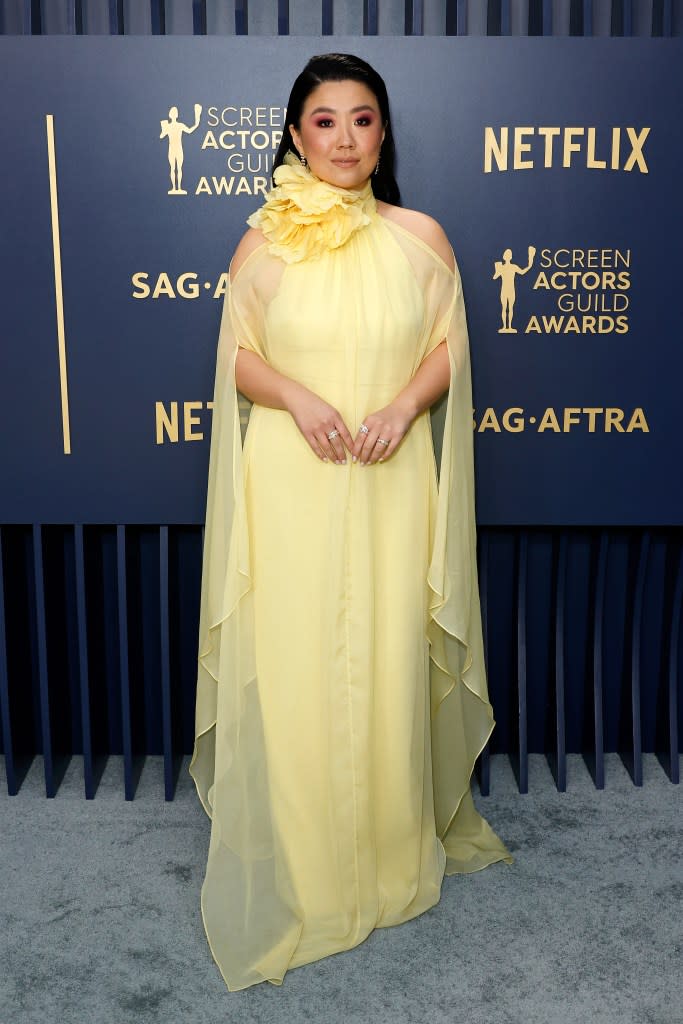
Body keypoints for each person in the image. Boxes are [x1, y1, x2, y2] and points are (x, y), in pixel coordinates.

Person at [189, 52, 514, 993]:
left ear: (383, 134)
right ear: (294, 135)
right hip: (291, 475)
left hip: (388, 474)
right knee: (293, 658)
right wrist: (297, 398)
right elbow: (237, 361)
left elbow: (450, 344)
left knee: (379, 653)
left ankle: (383, 850)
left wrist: (404, 407)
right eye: (324, 122)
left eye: (361, 120)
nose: (343, 139)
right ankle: (307, 862)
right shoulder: (262, 243)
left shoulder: (422, 239)